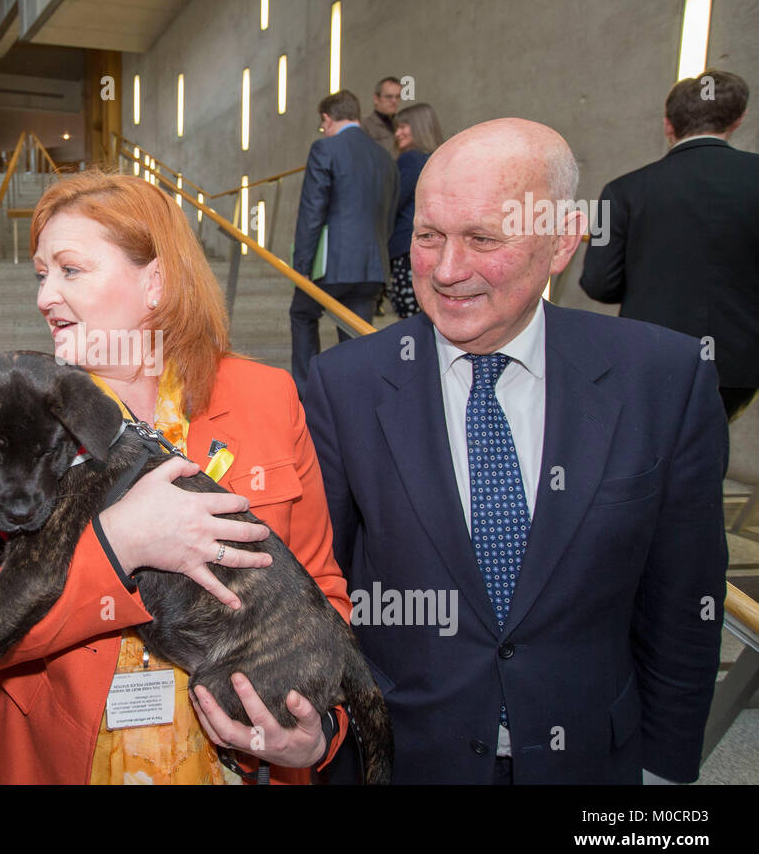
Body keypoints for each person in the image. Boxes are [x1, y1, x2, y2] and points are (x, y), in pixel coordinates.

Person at [302, 118, 728, 784]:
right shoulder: (345, 384)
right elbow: (318, 594)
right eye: (428, 236)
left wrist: (666, 771)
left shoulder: (663, 379)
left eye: (482, 239)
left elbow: (683, 601)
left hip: (592, 761)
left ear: (562, 243)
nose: (446, 271)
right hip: (405, 761)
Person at [0, 171, 354, 784]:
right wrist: (118, 547)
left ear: (156, 281)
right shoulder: (20, 413)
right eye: (40, 274)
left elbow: (321, 590)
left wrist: (315, 733)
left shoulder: (267, 396)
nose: (43, 297)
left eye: (70, 270)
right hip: (70, 763)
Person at [580, 69, 759, 421]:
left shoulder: (619, 190)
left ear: (667, 125)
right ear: (738, 119)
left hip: (652, 349)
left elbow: (597, 282)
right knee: (710, 444)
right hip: (743, 356)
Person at [289, 90, 398, 392]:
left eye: (322, 123)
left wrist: (301, 267)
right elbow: (389, 216)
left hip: (331, 266)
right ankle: (353, 397)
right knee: (355, 335)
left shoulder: (325, 148)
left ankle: (308, 391)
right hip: (371, 267)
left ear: (327, 117)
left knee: (302, 313)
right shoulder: (384, 157)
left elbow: (313, 211)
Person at [386, 103, 445, 319]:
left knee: (409, 315)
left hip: (407, 249)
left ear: (419, 128)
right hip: (435, 247)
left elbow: (394, 202)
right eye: (397, 127)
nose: (397, 133)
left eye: (403, 127)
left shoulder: (411, 159)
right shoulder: (438, 159)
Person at [361, 77, 402, 159]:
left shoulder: (402, 126)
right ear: (376, 99)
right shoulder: (365, 126)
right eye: (389, 96)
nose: (394, 101)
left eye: (397, 96)